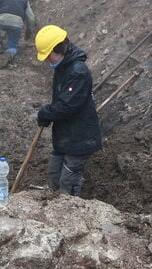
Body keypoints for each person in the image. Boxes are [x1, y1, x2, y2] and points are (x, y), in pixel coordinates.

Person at [34, 25, 102, 197]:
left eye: (48, 55)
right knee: (55, 175)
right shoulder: (63, 68)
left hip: (80, 138)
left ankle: (70, 212)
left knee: (67, 183)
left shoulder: (78, 72)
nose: (47, 60)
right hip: (65, 135)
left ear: (59, 49)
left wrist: (46, 113)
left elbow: (66, 106)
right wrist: (50, 114)